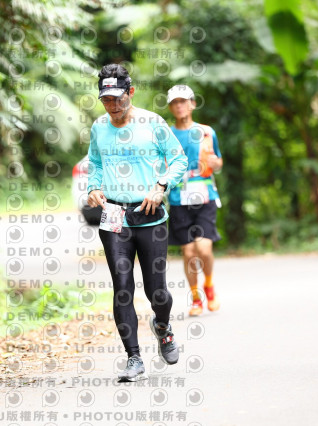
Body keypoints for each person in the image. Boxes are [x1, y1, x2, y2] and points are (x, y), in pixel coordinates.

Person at [86, 64, 188, 381]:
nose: (112, 105)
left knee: (157, 291)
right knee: (122, 288)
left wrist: (161, 186)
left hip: (149, 216)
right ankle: (134, 358)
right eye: (106, 99)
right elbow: (95, 163)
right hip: (114, 216)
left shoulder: (153, 123)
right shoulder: (99, 127)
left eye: (118, 98)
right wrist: (93, 187)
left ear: (130, 92)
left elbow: (179, 159)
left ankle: (163, 327)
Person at [165, 84, 223, 316]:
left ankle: (209, 285)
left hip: (205, 195)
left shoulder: (207, 132)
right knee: (189, 253)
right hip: (179, 198)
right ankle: (196, 298)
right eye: (174, 102)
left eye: (183, 101)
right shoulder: (167, 135)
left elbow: (218, 161)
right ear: (171, 107)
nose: (179, 106)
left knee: (204, 249)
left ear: (192, 104)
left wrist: (216, 163)